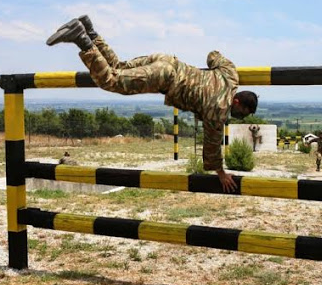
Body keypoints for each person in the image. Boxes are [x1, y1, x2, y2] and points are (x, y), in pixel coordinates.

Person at [46, 15, 258, 193]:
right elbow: (212, 146)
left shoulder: (231, 76)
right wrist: (221, 173)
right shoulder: (218, 110)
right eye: (242, 111)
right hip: (165, 77)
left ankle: (90, 31)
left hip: (168, 60)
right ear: (236, 101)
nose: (241, 116)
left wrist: (206, 76)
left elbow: (213, 56)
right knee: (111, 80)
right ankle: (82, 39)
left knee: (120, 67)